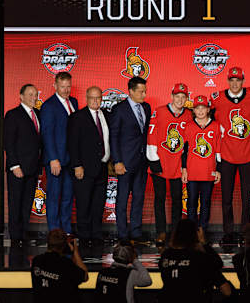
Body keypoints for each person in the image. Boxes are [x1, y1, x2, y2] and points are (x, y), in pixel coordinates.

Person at [211, 67, 250, 245]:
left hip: (248, 153)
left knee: (247, 195)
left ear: (243, 81)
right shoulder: (217, 98)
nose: (235, 84)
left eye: (238, 80)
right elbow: (202, 113)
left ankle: (245, 231)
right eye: (232, 80)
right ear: (228, 80)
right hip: (227, 154)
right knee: (227, 196)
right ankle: (228, 231)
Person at [146, 83, 192, 245]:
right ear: (172, 96)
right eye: (177, 96)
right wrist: (153, 160)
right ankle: (161, 232)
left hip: (177, 165)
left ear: (186, 99)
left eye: (183, 97)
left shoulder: (189, 115)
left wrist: (185, 165)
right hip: (160, 161)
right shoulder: (159, 111)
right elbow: (151, 135)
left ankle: (175, 233)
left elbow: (188, 144)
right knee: (159, 198)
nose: (180, 100)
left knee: (177, 199)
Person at [110, 77, 151, 241]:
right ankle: (122, 234)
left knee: (139, 198)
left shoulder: (146, 107)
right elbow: (114, 137)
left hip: (142, 161)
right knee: (122, 198)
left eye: (145, 91)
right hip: (125, 162)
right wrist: (117, 161)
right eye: (141, 91)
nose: (144, 94)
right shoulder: (119, 109)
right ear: (131, 91)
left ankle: (136, 232)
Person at [68, 86, 110, 246]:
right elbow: (72, 144)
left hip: (102, 167)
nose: (95, 100)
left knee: (98, 204)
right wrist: (77, 165)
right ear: (86, 98)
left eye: (98, 97)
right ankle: (84, 236)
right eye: (92, 97)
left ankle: (96, 234)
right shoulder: (77, 117)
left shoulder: (106, 115)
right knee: (83, 203)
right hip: (84, 169)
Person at [40, 72, 78, 233]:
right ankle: (54, 232)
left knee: (68, 197)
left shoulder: (74, 102)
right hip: (56, 160)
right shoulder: (48, 105)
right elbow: (47, 134)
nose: (65, 90)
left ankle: (66, 230)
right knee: (54, 198)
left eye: (68, 86)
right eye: (62, 86)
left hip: (71, 160)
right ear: (55, 86)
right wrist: (53, 158)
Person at [4, 84, 42, 245]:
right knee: (16, 203)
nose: (34, 97)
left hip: (33, 169)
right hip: (18, 169)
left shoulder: (38, 114)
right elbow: (8, 142)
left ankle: (23, 235)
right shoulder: (13, 115)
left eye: (35, 94)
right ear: (21, 96)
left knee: (27, 204)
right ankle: (15, 237)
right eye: (30, 94)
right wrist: (14, 166)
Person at [158, 219, 231, 302]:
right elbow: (218, 264)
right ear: (195, 235)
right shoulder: (200, 257)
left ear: (176, 234)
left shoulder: (166, 255)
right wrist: (204, 243)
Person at [181, 95, 221, 232]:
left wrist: (218, 170)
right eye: (197, 108)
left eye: (203, 108)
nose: (200, 111)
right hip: (192, 172)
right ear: (193, 110)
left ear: (208, 109)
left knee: (205, 202)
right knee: (191, 202)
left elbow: (218, 151)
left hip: (208, 171)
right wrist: (184, 168)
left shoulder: (215, 126)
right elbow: (184, 150)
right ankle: (192, 231)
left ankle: (202, 229)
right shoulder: (189, 126)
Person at [31, 229, 88, 303]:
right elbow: (85, 276)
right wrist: (75, 252)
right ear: (65, 245)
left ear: (48, 243)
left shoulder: (36, 261)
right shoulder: (66, 264)